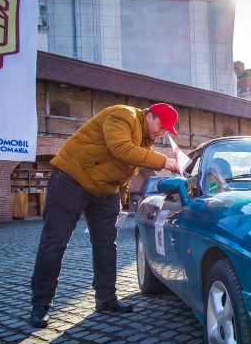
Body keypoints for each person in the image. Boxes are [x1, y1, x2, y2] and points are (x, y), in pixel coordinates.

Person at [29, 102, 181, 328]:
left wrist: (119, 201)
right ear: (150, 116)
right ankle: (41, 304)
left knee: (106, 244)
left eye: (167, 130)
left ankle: (106, 298)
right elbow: (121, 150)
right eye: (162, 126)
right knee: (55, 241)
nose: (162, 133)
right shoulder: (122, 116)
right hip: (73, 179)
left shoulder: (146, 140)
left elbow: (126, 173)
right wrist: (166, 162)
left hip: (105, 189)